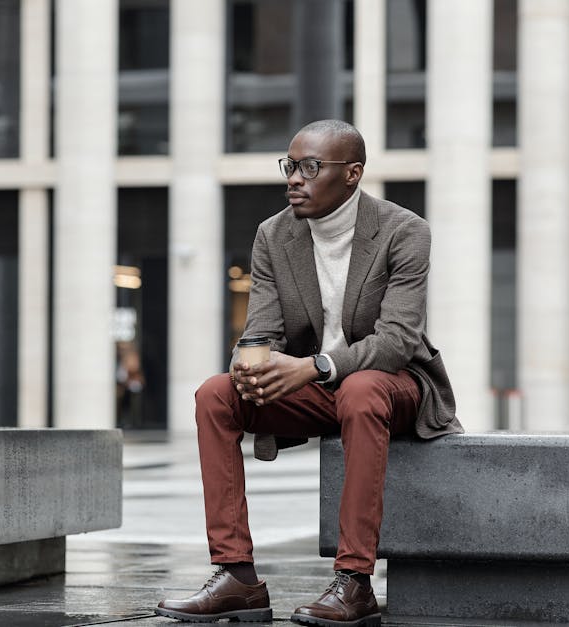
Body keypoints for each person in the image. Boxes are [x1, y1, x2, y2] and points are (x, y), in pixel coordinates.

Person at [155, 119, 462, 627]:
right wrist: (251, 362)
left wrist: (315, 367)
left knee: (361, 390)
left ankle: (355, 583)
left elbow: (397, 341)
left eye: (310, 167)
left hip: (396, 387)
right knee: (215, 393)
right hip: (319, 390)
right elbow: (263, 330)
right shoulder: (274, 235)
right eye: (290, 166)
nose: (294, 178)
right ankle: (237, 577)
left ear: (352, 174)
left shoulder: (403, 231)